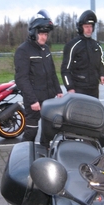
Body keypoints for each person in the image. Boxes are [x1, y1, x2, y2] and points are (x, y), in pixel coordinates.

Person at [14, 9, 63, 143]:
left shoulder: (45, 49)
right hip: (34, 100)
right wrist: (32, 100)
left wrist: (58, 90)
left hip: (49, 97)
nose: (44, 37)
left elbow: (52, 72)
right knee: (31, 131)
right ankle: (24, 157)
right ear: (33, 33)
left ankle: (44, 154)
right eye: (41, 33)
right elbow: (21, 79)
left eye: (46, 34)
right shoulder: (23, 51)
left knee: (49, 131)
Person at [61, 10, 104, 99]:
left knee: (94, 112)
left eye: (90, 26)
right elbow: (65, 70)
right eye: (86, 26)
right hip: (79, 89)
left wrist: (102, 74)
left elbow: (101, 63)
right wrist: (70, 88)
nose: (89, 29)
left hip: (94, 88)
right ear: (81, 28)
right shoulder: (72, 45)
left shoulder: (96, 45)